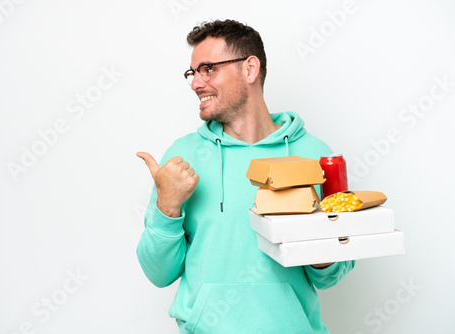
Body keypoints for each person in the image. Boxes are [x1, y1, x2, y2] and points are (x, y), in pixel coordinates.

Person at [136, 19, 355, 333]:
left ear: (250, 69)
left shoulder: (315, 156)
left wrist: (316, 243)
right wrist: (166, 209)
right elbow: (158, 273)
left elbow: (333, 275)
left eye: (208, 68)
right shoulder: (181, 159)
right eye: (193, 72)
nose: (196, 83)